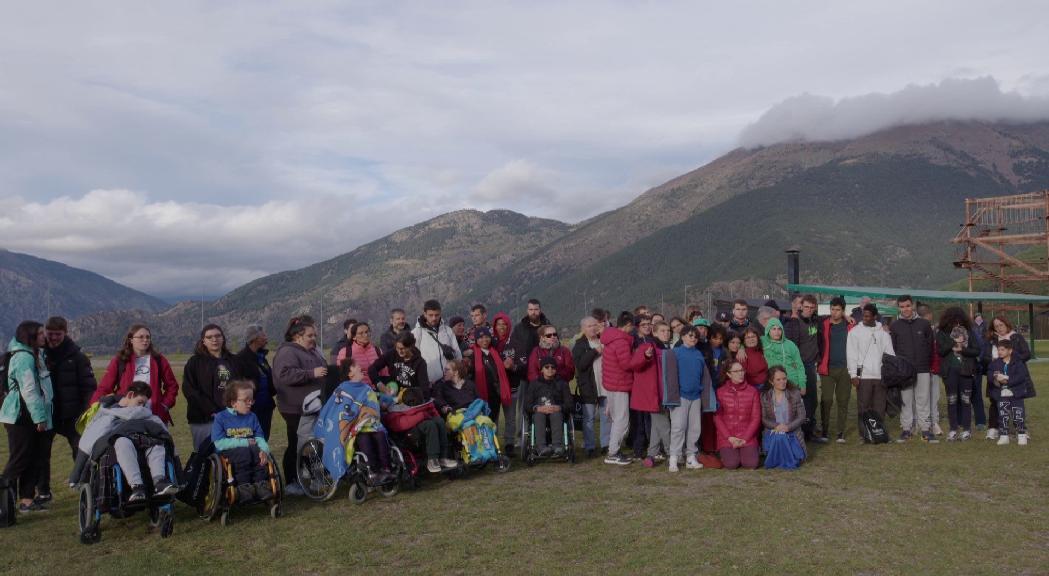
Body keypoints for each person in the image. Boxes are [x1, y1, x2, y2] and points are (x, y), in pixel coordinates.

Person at [74, 381, 178, 503]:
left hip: (143, 445)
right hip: (119, 449)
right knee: (122, 441)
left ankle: (159, 481)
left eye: (144, 404)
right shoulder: (108, 413)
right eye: (139, 402)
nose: (141, 407)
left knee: (157, 443)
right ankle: (137, 486)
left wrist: (179, 472)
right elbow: (90, 441)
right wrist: (77, 474)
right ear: (130, 395)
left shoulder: (146, 414)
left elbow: (163, 433)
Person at [37, 316, 96, 503]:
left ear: (66, 333)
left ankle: (86, 487)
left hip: (73, 415)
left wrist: (85, 412)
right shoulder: (38, 354)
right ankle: (43, 492)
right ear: (45, 332)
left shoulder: (77, 357)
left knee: (81, 451)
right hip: (47, 414)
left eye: (58, 334)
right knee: (41, 454)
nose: (53, 338)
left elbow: (89, 387)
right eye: (50, 334)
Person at [1, 321, 54, 513]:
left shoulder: (33, 354)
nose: (44, 336)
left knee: (32, 458)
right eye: (40, 333)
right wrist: (40, 418)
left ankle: (26, 500)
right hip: (22, 416)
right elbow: (29, 390)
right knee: (20, 459)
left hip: (26, 415)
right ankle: (3, 502)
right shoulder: (24, 358)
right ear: (29, 336)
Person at [272, 315, 328, 495]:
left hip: (311, 406)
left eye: (314, 335)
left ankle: (309, 477)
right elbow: (284, 375)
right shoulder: (288, 352)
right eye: (310, 335)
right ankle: (291, 481)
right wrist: (311, 373)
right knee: (296, 443)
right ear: (297, 336)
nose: (314, 339)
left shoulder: (310, 351)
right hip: (294, 408)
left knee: (309, 443)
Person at [319, 359, 400, 482]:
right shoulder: (342, 390)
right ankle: (373, 471)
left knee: (380, 435)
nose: (360, 366)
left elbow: (374, 400)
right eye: (356, 366)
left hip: (370, 424)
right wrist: (358, 413)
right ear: (350, 374)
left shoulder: (366, 388)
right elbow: (338, 409)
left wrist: (391, 399)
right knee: (364, 438)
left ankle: (386, 469)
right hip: (353, 428)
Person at [91, 324, 179, 425]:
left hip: (154, 415)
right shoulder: (120, 361)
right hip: (125, 415)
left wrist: (164, 405)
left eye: (148, 337)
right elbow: (104, 387)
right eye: (141, 337)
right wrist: (94, 406)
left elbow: (172, 386)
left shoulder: (159, 360)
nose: (145, 340)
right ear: (131, 340)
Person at [211, 379, 275, 503]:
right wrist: (244, 443)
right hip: (229, 453)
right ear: (234, 402)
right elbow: (219, 443)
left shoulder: (252, 417)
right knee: (243, 453)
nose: (250, 403)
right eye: (246, 400)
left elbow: (260, 438)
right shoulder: (221, 418)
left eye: (252, 399)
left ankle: (261, 485)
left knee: (258, 453)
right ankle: (243, 487)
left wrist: (264, 450)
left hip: (252, 450)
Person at [183, 323, 242, 450]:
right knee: (205, 454)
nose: (214, 339)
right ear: (203, 341)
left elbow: (242, 387)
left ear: (223, 338)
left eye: (217, 336)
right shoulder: (195, 362)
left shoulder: (234, 361)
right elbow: (190, 390)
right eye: (209, 337)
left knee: (233, 453)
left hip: (231, 416)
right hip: (204, 419)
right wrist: (212, 410)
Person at [889, 294, 936, 443]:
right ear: (899, 308)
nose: (905, 309)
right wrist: (899, 368)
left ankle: (925, 430)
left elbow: (930, 347)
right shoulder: (895, 326)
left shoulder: (924, 324)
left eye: (908, 306)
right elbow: (893, 349)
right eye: (902, 307)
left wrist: (927, 365)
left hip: (922, 368)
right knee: (906, 400)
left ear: (913, 306)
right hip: (904, 371)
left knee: (923, 400)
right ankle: (906, 429)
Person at [505, 300, 549, 455]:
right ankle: (521, 436)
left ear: (540, 310)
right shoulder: (519, 328)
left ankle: (543, 436)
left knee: (544, 404)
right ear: (527, 310)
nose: (533, 312)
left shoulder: (547, 326)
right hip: (524, 374)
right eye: (531, 309)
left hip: (545, 375)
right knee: (524, 406)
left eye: (536, 309)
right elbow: (513, 349)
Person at [847, 304, 896, 442]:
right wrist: (853, 375)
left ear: (875, 316)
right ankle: (864, 435)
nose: (865, 318)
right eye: (864, 315)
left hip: (880, 376)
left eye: (868, 316)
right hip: (863, 376)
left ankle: (879, 434)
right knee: (863, 407)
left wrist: (888, 374)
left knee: (880, 407)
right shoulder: (855, 332)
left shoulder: (884, 334)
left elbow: (890, 355)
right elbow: (851, 354)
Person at [632, 321, 677, 467]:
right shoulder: (648, 347)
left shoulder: (668, 349)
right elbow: (635, 364)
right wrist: (644, 356)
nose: (666, 333)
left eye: (668, 330)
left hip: (665, 394)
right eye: (662, 331)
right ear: (655, 333)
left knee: (657, 426)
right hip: (654, 395)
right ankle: (673, 454)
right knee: (664, 425)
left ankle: (651, 455)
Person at [937, 307, 980, 441]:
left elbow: (976, 351)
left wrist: (963, 349)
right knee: (952, 400)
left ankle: (966, 430)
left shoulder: (970, 333)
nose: (957, 323)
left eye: (959, 320)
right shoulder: (942, 333)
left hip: (966, 371)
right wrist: (953, 341)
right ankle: (953, 429)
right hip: (950, 372)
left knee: (966, 400)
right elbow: (941, 352)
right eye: (954, 321)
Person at [669, 327, 707, 472]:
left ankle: (691, 456)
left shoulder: (698, 354)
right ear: (682, 336)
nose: (693, 339)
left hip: (696, 396)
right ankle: (674, 457)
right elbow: (671, 375)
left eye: (696, 337)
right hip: (681, 396)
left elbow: (703, 375)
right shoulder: (676, 353)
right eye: (690, 336)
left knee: (695, 427)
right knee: (678, 426)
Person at [817, 298, 854, 444]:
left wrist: (847, 318)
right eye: (832, 309)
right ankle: (824, 430)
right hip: (827, 368)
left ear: (843, 311)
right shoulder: (824, 324)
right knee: (826, 400)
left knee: (843, 401)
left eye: (838, 309)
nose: (834, 312)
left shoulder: (850, 325)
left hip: (845, 368)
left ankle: (840, 432)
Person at [600, 311, 635, 465]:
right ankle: (613, 452)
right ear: (627, 325)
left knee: (616, 419)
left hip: (611, 384)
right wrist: (640, 357)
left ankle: (613, 450)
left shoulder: (610, 339)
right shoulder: (621, 342)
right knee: (622, 420)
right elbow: (626, 364)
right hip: (620, 384)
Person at [784, 294, 820, 441]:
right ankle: (802, 432)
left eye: (812, 307)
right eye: (806, 307)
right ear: (801, 306)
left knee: (812, 400)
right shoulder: (794, 323)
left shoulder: (815, 321)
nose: (809, 310)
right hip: (800, 365)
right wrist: (795, 368)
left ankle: (809, 429)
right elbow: (791, 346)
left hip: (811, 364)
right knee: (802, 399)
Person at [986, 339, 1034, 446]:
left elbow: (1021, 377)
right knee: (1003, 415)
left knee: (1018, 415)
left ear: (1010, 350)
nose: (1000, 352)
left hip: (1016, 394)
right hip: (1001, 394)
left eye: (1002, 350)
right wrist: (995, 377)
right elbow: (989, 374)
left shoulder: (1018, 363)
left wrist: (1007, 380)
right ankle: (1004, 436)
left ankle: (1021, 435)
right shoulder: (995, 363)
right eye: (998, 350)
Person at [715, 361, 761, 470]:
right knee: (731, 464)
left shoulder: (753, 391)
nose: (740, 373)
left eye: (742, 370)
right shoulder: (720, 392)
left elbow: (756, 418)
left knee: (751, 464)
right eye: (736, 371)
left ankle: (746, 451)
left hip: (747, 437)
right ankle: (728, 454)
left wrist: (744, 439)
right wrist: (729, 438)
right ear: (728, 374)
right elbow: (717, 418)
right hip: (728, 437)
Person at [523, 357, 572, 457]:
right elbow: (527, 404)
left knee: (556, 414)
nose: (550, 369)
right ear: (542, 369)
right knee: (539, 415)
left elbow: (570, 404)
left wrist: (559, 407)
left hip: (557, 413)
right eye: (547, 367)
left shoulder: (562, 384)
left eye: (553, 367)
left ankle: (557, 446)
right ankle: (541, 447)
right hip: (539, 412)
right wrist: (537, 408)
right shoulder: (534, 384)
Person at [573, 316, 606, 458]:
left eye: (594, 325)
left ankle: (606, 444)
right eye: (589, 326)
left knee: (606, 416)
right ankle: (590, 446)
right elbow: (580, 365)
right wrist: (595, 352)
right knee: (589, 418)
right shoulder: (579, 345)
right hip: (588, 386)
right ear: (583, 329)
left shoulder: (604, 341)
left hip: (605, 384)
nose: (593, 328)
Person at [234, 324, 276, 440]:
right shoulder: (240, 359)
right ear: (255, 339)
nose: (266, 338)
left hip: (265, 407)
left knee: (263, 438)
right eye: (263, 335)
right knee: (250, 439)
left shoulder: (262, 357)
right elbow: (237, 383)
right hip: (251, 408)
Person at [760, 366, 807, 469]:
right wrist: (777, 426)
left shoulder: (795, 394)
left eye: (784, 378)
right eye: (778, 379)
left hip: (792, 432)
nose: (783, 382)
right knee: (779, 437)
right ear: (771, 382)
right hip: (774, 432)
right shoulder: (765, 397)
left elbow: (802, 416)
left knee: (797, 457)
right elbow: (764, 419)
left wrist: (788, 427)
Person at [368, 331, 431, 404]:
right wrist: (379, 384)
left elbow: (424, 390)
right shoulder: (392, 354)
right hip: (392, 391)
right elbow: (372, 369)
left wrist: (406, 397)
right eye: (397, 348)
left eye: (403, 348)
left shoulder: (420, 363)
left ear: (411, 346)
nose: (400, 351)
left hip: (410, 397)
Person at [411, 299, 462, 385]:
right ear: (425, 314)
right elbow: (413, 359)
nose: (434, 318)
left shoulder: (448, 330)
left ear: (440, 313)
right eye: (430, 315)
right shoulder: (417, 333)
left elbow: (457, 354)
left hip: (451, 381)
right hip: (430, 383)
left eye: (436, 315)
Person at [761, 318, 807, 399]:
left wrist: (802, 384)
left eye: (779, 329)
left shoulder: (790, 345)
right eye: (773, 329)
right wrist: (741, 349)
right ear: (768, 330)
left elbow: (799, 366)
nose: (777, 332)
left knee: (793, 409)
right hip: (772, 383)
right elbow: (746, 341)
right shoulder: (762, 341)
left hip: (791, 381)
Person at [336, 322, 385, 389]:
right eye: (361, 333)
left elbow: (384, 373)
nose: (365, 335)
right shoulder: (345, 352)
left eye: (367, 332)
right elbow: (342, 375)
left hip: (377, 390)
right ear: (354, 337)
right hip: (357, 392)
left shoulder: (378, 351)